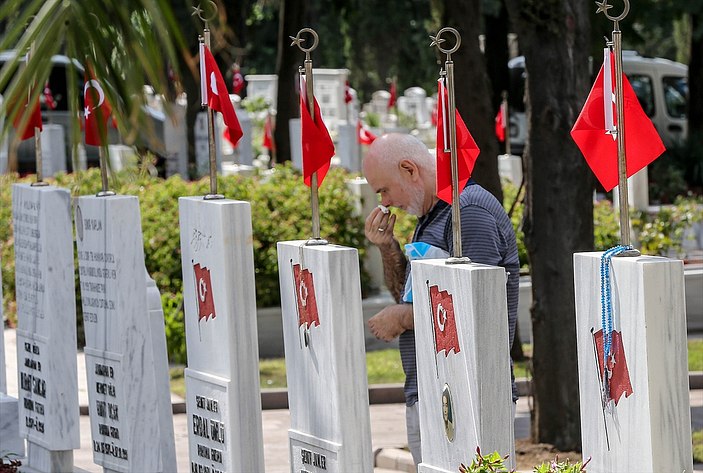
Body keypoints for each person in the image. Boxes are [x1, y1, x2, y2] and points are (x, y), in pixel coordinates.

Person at [363, 133, 519, 465]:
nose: (385, 203)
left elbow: (476, 308)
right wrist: (387, 247)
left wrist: (403, 318)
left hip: (467, 395)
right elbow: (407, 295)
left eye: (384, 190)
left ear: (409, 169)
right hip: (433, 392)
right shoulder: (431, 217)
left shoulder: (469, 212)